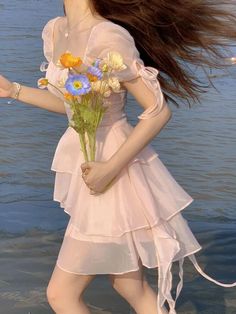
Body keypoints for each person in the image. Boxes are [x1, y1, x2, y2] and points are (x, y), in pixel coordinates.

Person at [1, 0, 236, 313]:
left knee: (61, 294)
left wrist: (109, 169)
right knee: (129, 286)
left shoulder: (109, 36)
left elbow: (158, 111)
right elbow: (69, 107)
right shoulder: (56, 30)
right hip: (87, 163)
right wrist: (14, 90)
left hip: (113, 167)